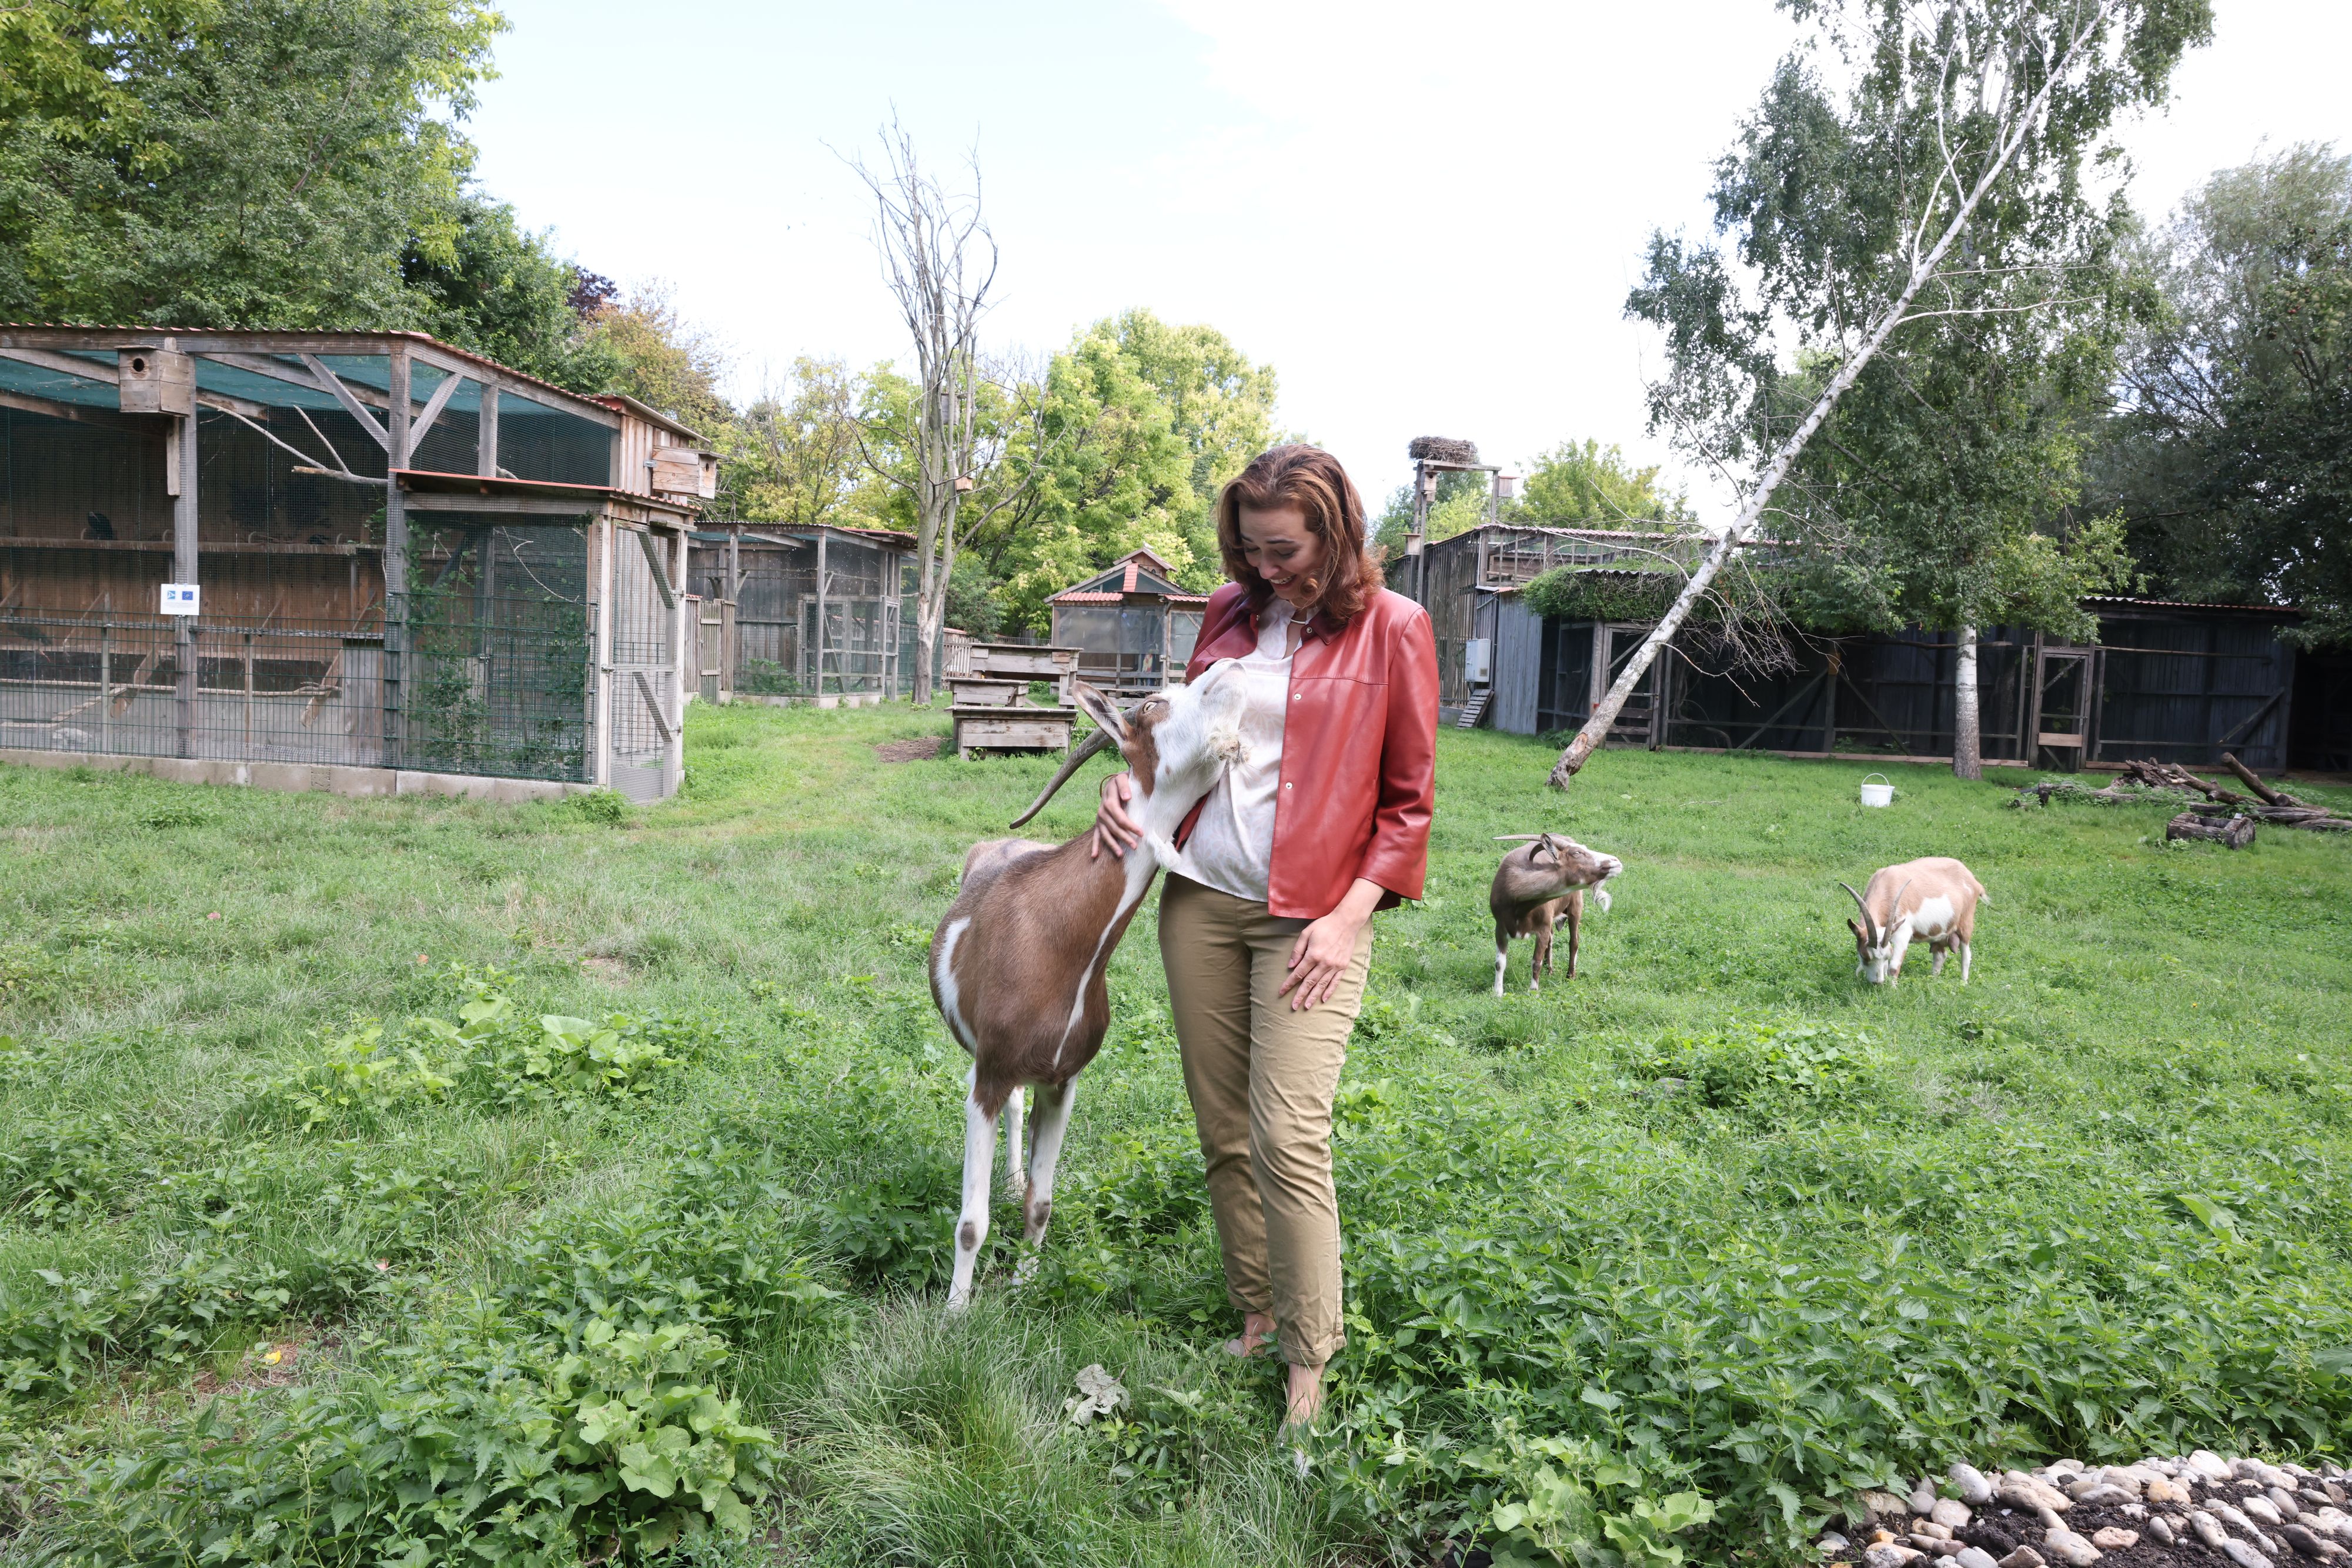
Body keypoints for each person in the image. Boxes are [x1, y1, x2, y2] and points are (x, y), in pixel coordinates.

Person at [1091, 444, 1438, 1431]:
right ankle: (1255, 1312)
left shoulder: (1396, 630)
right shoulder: (1226, 612)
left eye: (1283, 549)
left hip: (1314, 918)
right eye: (1250, 550)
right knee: (1223, 1129)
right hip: (1200, 898)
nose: (1265, 569)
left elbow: (1409, 806)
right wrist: (1133, 782)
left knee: (1290, 1135)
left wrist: (1346, 917)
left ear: (1336, 533)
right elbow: (1185, 740)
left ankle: (1308, 1357)